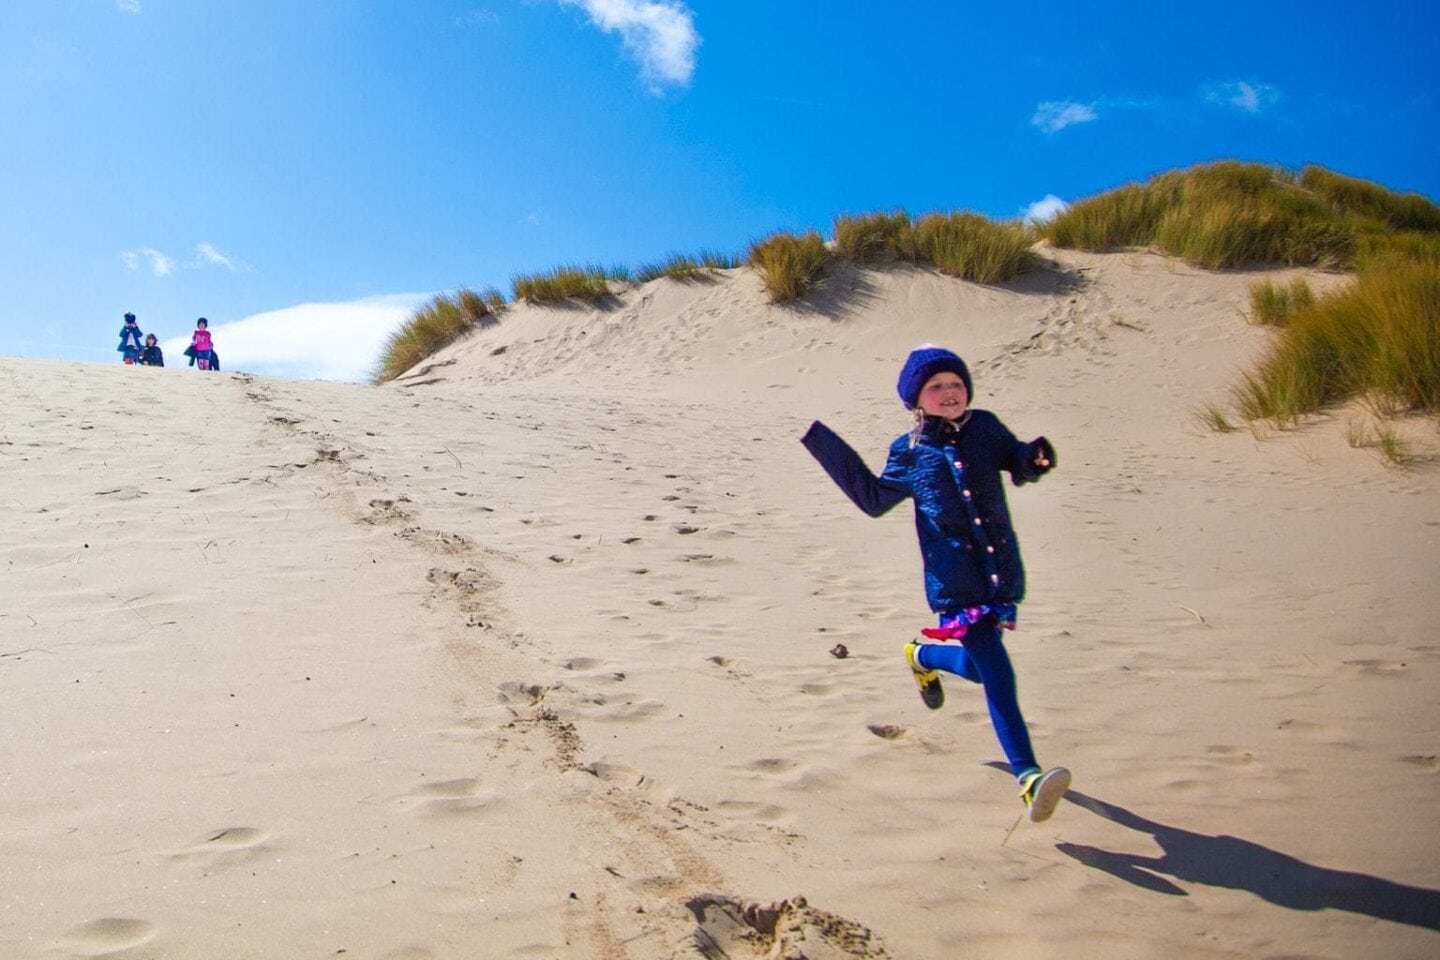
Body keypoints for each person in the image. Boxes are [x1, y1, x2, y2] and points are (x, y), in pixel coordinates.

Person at [800, 344, 1071, 822]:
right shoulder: (908, 452)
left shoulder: (985, 427)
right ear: (916, 399)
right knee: (999, 675)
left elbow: (1016, 460)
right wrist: (823, 443)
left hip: (998, 574)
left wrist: (1034, 457)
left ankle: (922, 656)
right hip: (956, 582)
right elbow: (873, 498)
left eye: (956, 383)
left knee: (978, 667)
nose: (950, 392)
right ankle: (1028, 777)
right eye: (936, 386)